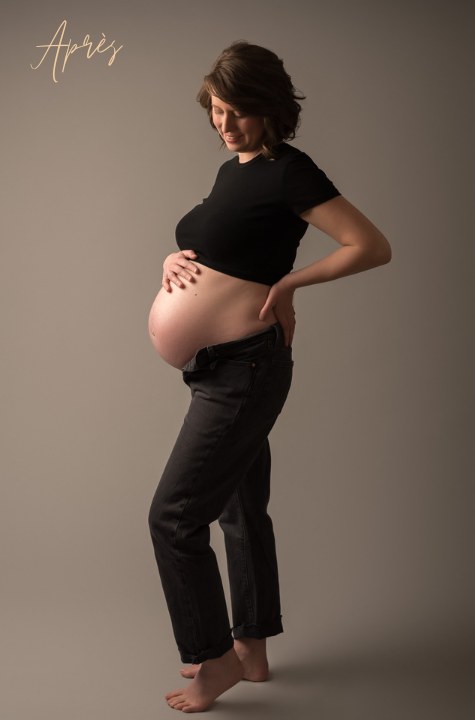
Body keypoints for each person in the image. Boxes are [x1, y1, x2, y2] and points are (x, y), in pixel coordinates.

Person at [147, 40, 392, 713]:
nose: (224, 125)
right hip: (215, 367)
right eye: (216, 111)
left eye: (238, 112)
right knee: (239, 508)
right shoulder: (233, 172)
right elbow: (220, 248)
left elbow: (371, 245)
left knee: (173, 516)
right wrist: (173, 258)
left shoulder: (291, 172)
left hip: (247, 368)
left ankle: (213, 658)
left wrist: (290, 284)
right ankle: (251, 650)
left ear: (271, 108)